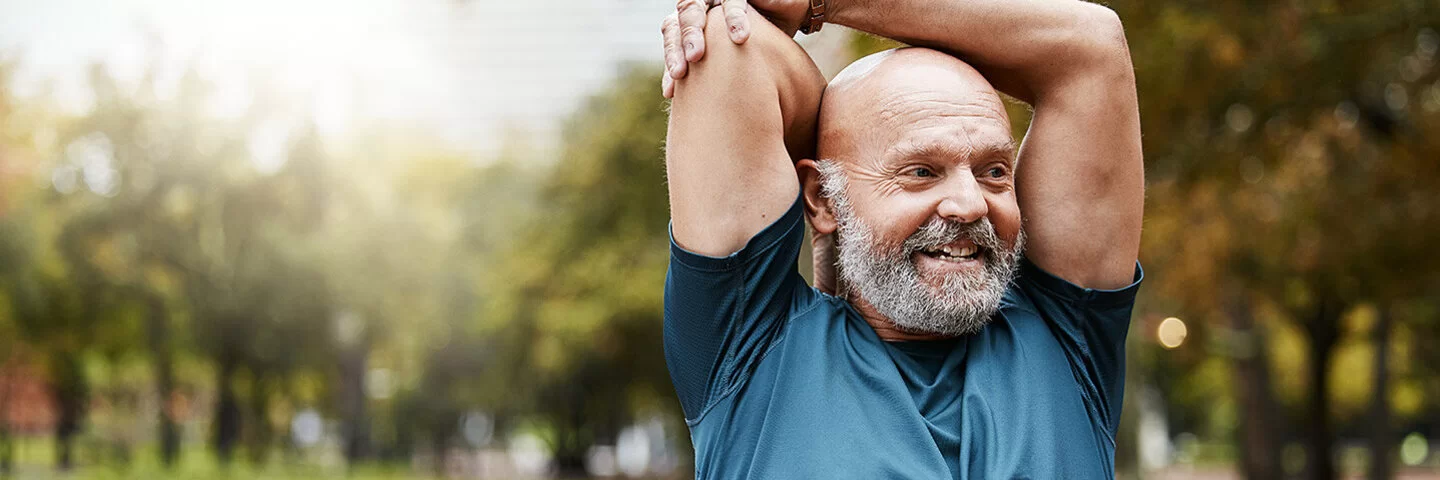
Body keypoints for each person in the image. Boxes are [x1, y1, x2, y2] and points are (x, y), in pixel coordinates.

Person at [660, 0, 1144, 476]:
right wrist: (842, 163)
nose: (971, 204)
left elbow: (1090, 46)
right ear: (822, 200)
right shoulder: (750, 350)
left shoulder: (1067, 337)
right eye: (921, 172)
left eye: (994, 171)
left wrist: (819, 3)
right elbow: (728, 46)